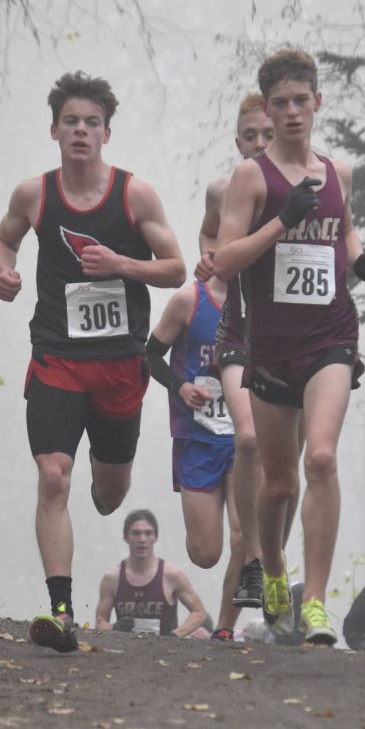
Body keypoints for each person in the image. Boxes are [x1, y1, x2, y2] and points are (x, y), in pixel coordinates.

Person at [0, 71, 185, 652]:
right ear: (54, 129)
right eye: (71, 121)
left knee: (108, 493)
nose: (80, 130)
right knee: (53, 477)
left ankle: (108, 481)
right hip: (57, 357)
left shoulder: (134, 194)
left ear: (106, 132)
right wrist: (4, 270)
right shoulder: (35, 193)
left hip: (121, 363)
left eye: (91, 122)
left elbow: (175, 269)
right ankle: (60, 610)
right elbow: (3, 239)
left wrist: (122, 264)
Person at [213, 49, 365, 644]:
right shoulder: (251, 177)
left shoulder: (338, 172)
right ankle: (276, 571)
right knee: (280, 482)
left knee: (322, 458)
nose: (292, 112)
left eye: (301, 100)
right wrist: (281, 220)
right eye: (280, 103)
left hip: (331, 334)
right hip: (270, 346)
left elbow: (345, 225)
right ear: (267, 107)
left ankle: (315, 603)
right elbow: (225, 259)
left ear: (319, 103)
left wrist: (362, 257)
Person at [195, 94, 302, 614]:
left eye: (266, 133)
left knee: (290, 468)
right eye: (249, 136)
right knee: (251, 438)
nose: (259, 143)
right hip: (240, 331)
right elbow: (209, 240)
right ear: (236, 141)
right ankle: (254, 560)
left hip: (300, 339)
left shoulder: (311, 184)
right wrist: (205, 264)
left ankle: (277, 558)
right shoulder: (227, 189)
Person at [146, 275, 240, 641]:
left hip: (243, 436)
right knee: (206, 553)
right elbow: (150, 355)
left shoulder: (258, 297)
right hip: (198, 437)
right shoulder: (189, 300)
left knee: (244, 534)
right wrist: (181, 386)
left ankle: (226, 627)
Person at [95, 509, 208, 637]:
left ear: (155, 537)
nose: (142, 539)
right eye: (136, 533)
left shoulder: (172, 575)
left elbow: (199, 612)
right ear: (126, 537)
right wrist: (113, 627)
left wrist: (175, 635)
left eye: (148, 533)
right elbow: (100, 622)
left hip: (166, 652)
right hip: (126, 651)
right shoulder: (112, 578)